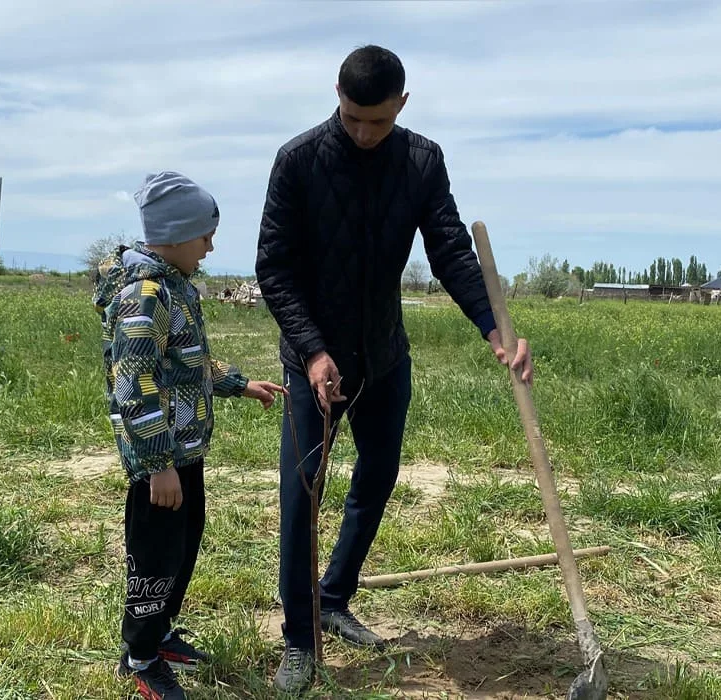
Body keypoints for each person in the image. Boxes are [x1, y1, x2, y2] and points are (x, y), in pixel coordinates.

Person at [254, 45, 535, 693]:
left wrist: (496, 327)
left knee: (377, 477)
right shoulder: (297, 162)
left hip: (383, 354)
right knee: (302, 494)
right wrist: (313, 351)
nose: (361, 133)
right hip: (313, 360)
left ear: (401, 105)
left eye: (376, 122)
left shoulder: (420, 160)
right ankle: (300, 638)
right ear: (337, 95)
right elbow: (274, 267)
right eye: (352, 118)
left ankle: (335, 596)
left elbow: (450, 251)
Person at [95, 171, 287, 700]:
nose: (210, 246)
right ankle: (139, 657)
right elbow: (134, 382)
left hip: (185, 452)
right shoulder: (145, 294)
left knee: (182, 546)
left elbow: (186, 364)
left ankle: (160, 634)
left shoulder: (175, 288)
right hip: (162, 460)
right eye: (205, 236)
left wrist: (241, 384)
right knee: (154, 554)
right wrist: (157, 464)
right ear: (177, 236)